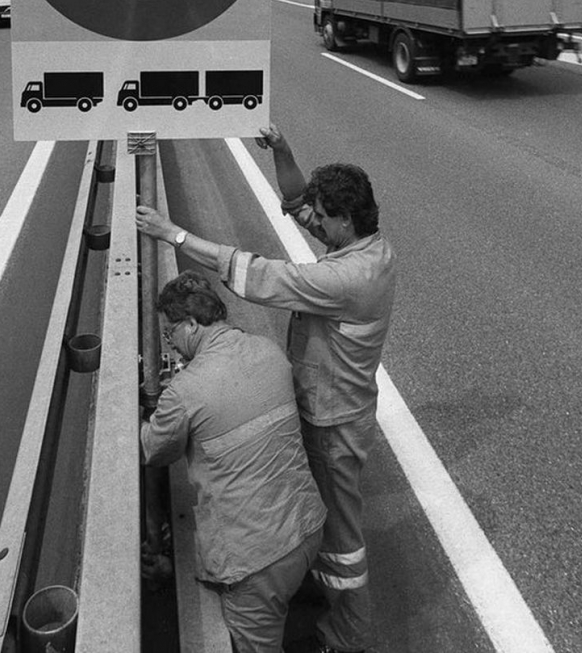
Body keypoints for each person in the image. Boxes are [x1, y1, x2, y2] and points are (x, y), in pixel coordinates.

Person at [136, 126, 396, 653]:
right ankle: (303, 584)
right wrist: (284, 153)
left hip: (334, 419)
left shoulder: (348, 279)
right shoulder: (367, 245)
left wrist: (173, 235)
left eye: (323, 219)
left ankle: (349, 636)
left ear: (345, 219)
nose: (313, 223)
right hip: (331, 407)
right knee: (311, 509)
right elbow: (297, 203)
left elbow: (255, 274)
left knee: (345, 542)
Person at [141, 270, 326, 653]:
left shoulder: (186, 390)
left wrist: (146, 415)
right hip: (308, 528)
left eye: (169, 334)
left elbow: (154, 449)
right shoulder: (267, 350)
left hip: (257, 562)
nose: (170, 345)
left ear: (191, 325)